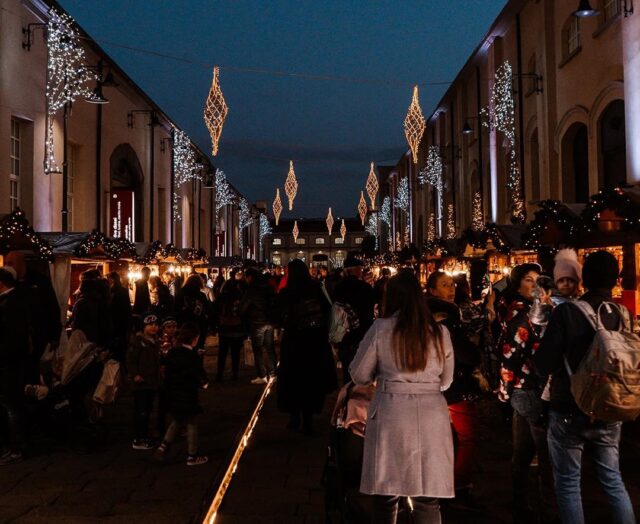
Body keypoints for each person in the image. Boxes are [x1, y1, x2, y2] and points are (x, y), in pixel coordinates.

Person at [535, 251, 636, 524]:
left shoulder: (568, 312)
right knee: (613, 479)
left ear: (583, 278)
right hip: (610, 405)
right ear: (615, 278)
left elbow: (544, 361)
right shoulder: (623, 314)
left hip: (569, 404)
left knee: (568, 482)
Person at [349, 270, 454, 523]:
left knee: (386, 494)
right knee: (427, 497)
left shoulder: (381, 329)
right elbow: (447, 381)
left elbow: (359, 373)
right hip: (431, 415)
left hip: (391, 413)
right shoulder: (439, 332)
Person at [497, 263, 556, 524]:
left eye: (537, 280)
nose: (533, 285)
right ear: (518, 284)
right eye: (528, 280)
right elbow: (510, 355)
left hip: (528, 389)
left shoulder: (542, 311)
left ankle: (521, 504)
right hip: (529, 389)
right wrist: (504, 390)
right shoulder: (521, 314)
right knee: (545, 455)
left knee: (523, 451)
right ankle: (547, 508)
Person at [426, 271, 483, 510]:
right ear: (431, 291)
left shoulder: (420, 316)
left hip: (430, 389)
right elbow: (466, 354)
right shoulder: (446, 317)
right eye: (444, 285)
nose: (451, 289)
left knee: (441, 440)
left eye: (452, 285)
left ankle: (437, 484)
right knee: (466, 438)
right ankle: (457, 487)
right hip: (452, 388)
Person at [275, 259, 337, 435]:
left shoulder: (287, 292)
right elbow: (328, 311)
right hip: (314, 342)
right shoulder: (316, 288)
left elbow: (277, 315)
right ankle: (308, 420)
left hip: (294, 342)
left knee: (293, 379)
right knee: (311, 380)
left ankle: (294, 419)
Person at [155, 322, 208, 466]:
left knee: (177, 420)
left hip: (173, 393)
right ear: (195, 339)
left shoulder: (173, 352)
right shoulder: (192, 357)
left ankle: (164, 445)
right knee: (191, 423)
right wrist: (204, 383)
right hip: (188, 394)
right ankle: (192, 455)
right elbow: (197, 375)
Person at [5, 251, 61, 382]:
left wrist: (54, 335)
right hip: (15, 338)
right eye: (6, 263)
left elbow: (52, 307)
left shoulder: (39, 281)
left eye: (10, 263)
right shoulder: (8, 283)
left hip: (37, 336)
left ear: (20, 263)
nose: (7, 266)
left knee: (32, 369)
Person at [0, 267, 30, 465]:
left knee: (10, 404)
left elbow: (12, 337)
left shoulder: (11, 304)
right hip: (11, 361)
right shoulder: (16, 300)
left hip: (8, 362)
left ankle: (15, 447)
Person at [333, 255, 376, 383]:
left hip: (345, 335)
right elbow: (370, 309)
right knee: (364, 371)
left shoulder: (338, 287)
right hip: (363, 334)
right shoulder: (365, 287)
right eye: (360, 269)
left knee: (347, 373)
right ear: (355, 270)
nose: (362, 271)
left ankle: (348, 397)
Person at [127, 313, 161, 450]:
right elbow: (131, 360)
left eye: (156, 325)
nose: (154, 327)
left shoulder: (155, 341)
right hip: (141, 382)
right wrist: (135, 374)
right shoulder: (137, 341)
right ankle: (139, 438)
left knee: (147, 409)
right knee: (141, 410)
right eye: (150, 325)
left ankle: (144, 434)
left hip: (151, 382)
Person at [240, 268, 276, 383]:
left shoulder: (252, 289)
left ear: (250, 277)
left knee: (258, 349)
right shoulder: (268, 287)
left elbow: (243, 307)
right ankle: (273, 373)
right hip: (269, 321)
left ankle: (262, 375)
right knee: (270, 348)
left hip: (257, 322)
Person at [216, 272, 246, 382]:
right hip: (237, 328)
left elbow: (216, 311)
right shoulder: (240, 298)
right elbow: (244, 313)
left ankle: (219, 374)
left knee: (222, 352)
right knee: (235, 353)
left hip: (224, 328)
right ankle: (235, 373)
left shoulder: (222, 298)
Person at [106, 271, 132, 363]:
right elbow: (128, 308)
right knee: (122, 342)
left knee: (116, 343)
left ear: (112, 279)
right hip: (122, 321)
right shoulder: (123, 290)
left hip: (115, 321)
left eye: (108, 278)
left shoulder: (111, 291)